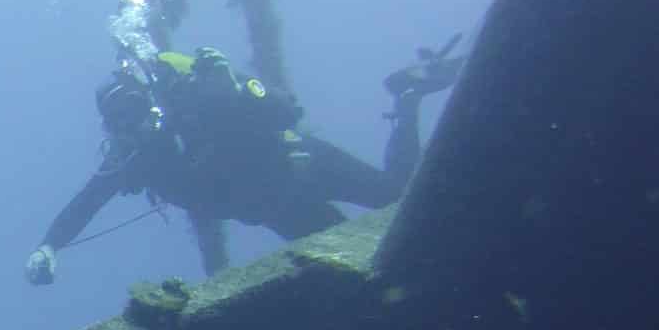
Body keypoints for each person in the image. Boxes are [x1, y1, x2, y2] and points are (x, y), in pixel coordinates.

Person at [24, 39, 465, 282]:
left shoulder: (193, 99)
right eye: (119, 119)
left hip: (304, 163)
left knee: (397, 197)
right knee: (358, 263)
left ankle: (407, 97)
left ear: (148, 98)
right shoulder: (138, 160)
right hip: (279, 210)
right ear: (111, 128)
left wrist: (234, 89)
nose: (132, 122)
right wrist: (49, 245)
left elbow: (286, 113)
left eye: (133, 107)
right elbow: (88, 200)